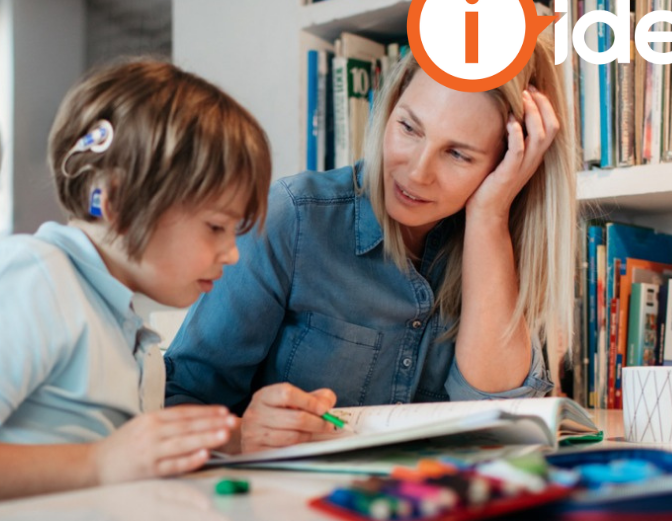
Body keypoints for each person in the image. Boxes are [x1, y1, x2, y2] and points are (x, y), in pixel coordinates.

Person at [0, 59, 271, 510]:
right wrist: (97, 464)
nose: (232, 253)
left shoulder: (117, 321)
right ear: (115, 202)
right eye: (216, 227)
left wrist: (230, 438)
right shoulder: (30, 278)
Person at [165, 37, 578, 455]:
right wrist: (242, 434)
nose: (417, 173)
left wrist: (489, 216)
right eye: (409, 128)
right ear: (389, 107)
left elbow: (503, 422)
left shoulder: (504, 246)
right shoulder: (294, 217)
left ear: (509, 159)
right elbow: (178, 397)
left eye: (457, 154)